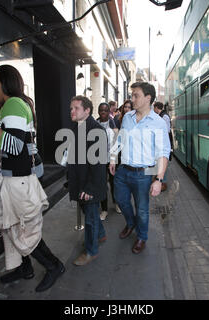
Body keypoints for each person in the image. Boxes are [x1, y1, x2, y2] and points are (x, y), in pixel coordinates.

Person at [0, 64, 64, 292]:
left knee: (24, 230)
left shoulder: (13, 104)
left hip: (18, 181)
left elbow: (13, 146)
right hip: (13, 179)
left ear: (4, 83)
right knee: (14, 227)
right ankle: (26, 268)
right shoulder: (10, 106)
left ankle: (54, 266)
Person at [110, 82, 170, 254]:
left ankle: (142, 236)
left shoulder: (158, 123)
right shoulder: (127, 117)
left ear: (148, 98)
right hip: (123, 170)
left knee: (142, 209)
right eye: (132, 95)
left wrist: (158, 179)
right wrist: (113, 159)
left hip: (144, 173)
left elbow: (163, 153)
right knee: (120, 200)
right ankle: (130, 223)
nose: (132, 98)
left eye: (136, 95)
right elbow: (120, 140)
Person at [67, 96, 108, 266]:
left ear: (87, 110)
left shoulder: (96, 130)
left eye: (76, 108)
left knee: (90, 219)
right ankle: (101, 235)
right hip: (80, 182)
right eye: (71, 108)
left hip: (89, 185)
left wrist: (89, 188)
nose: (72, 111)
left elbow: (98, 164)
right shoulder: (77, 126)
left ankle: (91, 251)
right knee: (89, 213)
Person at [95, 102, 117, 221]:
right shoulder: (95, 123)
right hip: (100, 159)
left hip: (112, 159)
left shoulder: (113, 123)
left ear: (109, 112)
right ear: (98, 111)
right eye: (101, 110)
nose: (103, 112)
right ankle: (104, 210)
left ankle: (116, 203)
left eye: (105, 110)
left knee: (114, 183)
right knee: (102, 184)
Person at [153, 101, 173, 191]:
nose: (154, 110)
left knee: (163, 162)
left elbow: (167, 130)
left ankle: (163, 184)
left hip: (163, 143)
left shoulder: (164, 116)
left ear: (157, 108)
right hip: (159, 143)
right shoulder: (161, 115)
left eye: (154, 108)